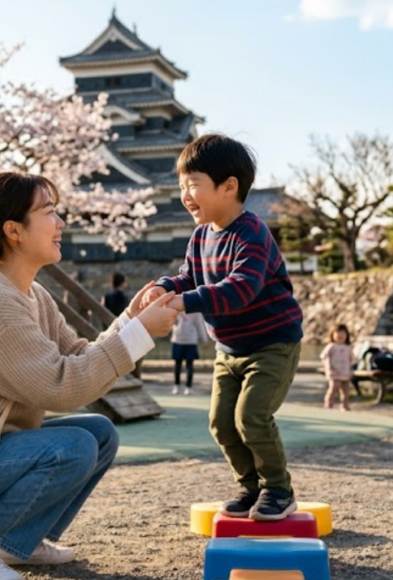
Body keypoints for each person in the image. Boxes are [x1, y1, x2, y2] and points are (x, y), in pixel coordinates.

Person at [0, 172, 179, 580]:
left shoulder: (31, 293)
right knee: (74, 446)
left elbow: (79, 354)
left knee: (99, 433)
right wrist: (140, 333)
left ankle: (16, 543)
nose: (61, 222)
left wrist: (131, 319)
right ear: (14, 230)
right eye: (48, 212)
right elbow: (62, 387)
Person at [142, 134, 303, 521]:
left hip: (272, 344)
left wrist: (185, 302)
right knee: (221, 423)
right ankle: (250, 487)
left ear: (229, 186)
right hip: (228, 350)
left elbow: (240, 289)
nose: (185, 195)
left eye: (193, 184)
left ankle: (279, 489)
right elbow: (189, 276)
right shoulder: (200, 237)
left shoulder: (253, 233)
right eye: (182, 186)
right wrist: (166, 286)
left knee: (252, 416)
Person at [170, 312, 209, 395]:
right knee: (177, 364)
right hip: (177, 340)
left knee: (189, 364)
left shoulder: (195, 309)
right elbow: (170, 322)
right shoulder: (175, 307)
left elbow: (199, 324)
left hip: (190, 340)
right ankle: (176, 385)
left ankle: (189, 387)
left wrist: (204, 339)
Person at [320, 323, 356, 411]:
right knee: (334, 387)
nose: (341, 335)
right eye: (338, 333)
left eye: (343, 333)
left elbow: (352, 359)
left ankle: (344, 404)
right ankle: (329, 401)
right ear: (332, 335)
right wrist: (328, 366)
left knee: (346, 390)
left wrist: (352, 368)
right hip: (334, 371)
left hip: (345, 372)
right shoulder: (331, 346)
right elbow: (324, 356)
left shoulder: (348, 347)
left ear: (347, 335)